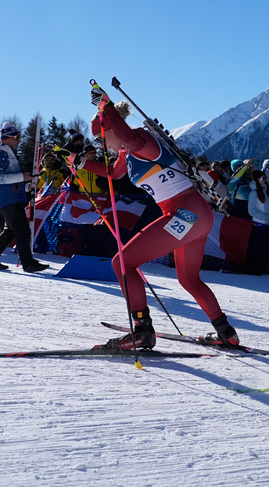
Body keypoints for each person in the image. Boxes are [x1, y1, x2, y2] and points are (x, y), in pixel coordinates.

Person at [76, 91, 240, 350]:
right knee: (189, 280)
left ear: (110, 128)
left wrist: (104, 107)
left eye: (100, 138)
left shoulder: (141, 140)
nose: (100, 145)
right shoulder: (127, 154)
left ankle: (142, 331)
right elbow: (114, 174)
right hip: (194, 216)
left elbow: (128, 137)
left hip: (185, 213)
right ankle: (226, 333)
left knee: (123, 263)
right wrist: (81, 163)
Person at [0, 122, 50, 272]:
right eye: (17, 137)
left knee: (11, 230)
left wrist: (26, 186)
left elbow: (12, 181)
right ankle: (28, 262)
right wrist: (22, 177)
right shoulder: (1, 154)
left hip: (13, 198)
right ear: (7, 138)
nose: (20, 141)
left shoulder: (9, 154)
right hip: (9, 200)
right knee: (22, 230)